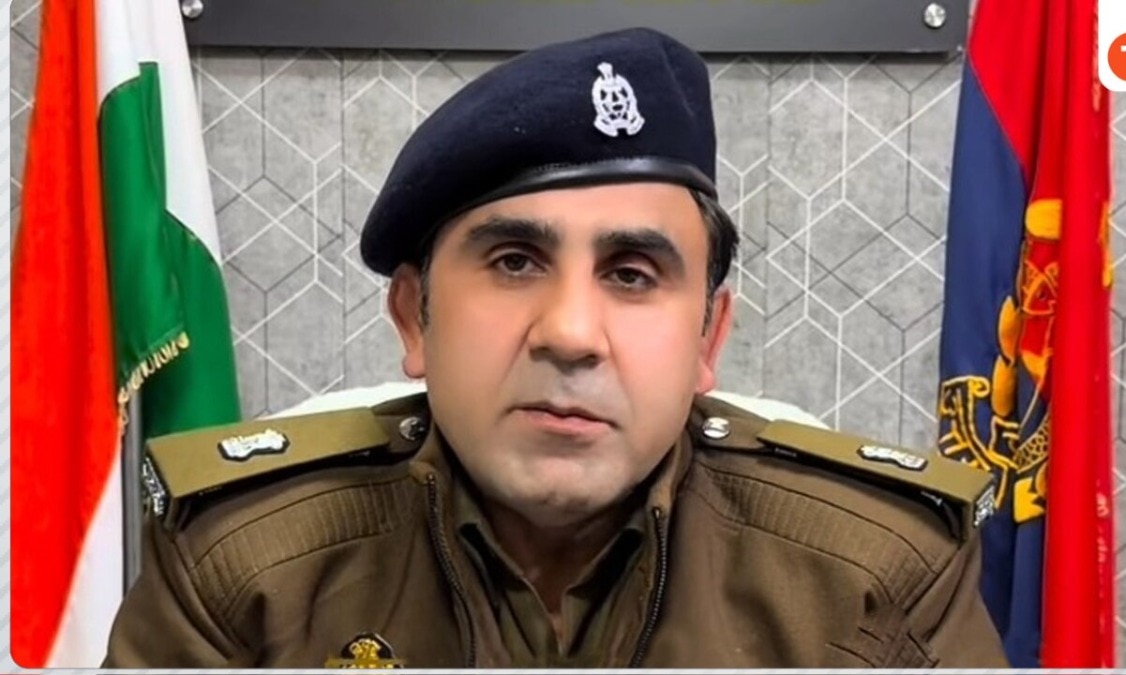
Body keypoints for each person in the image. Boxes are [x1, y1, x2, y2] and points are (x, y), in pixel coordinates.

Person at [103, 27, 1007, 668]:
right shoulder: (242, 565)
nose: (571, 334)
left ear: (708, 338)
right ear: (415, 317)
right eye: (514, 261)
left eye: (632, 274)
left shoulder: (876, 573)